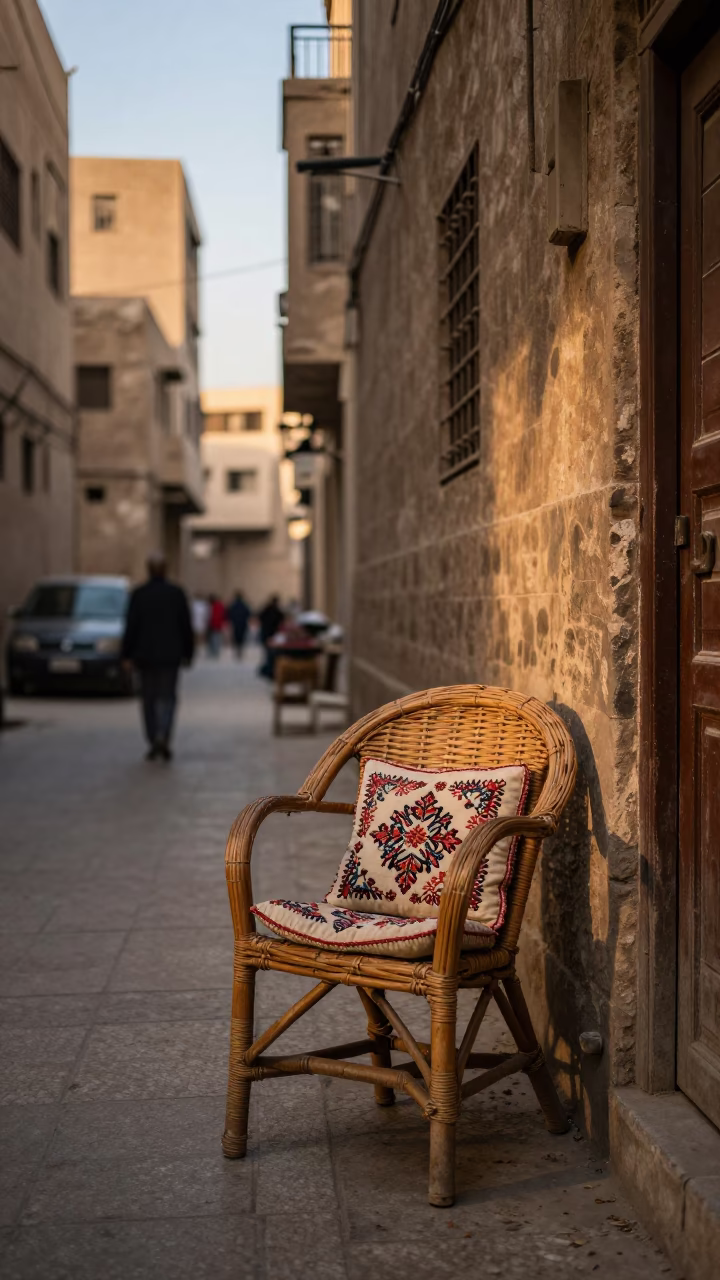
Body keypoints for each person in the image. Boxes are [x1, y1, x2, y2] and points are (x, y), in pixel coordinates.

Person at [121, 553, 194, 761]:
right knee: (168, 698)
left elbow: (131, 627)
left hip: (145, 657)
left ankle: (154, 738)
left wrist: (126, 655)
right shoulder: (176, 593)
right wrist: (188, 653)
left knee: (148, 700)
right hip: (170, 657)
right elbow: (185, 627)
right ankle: (164, 734)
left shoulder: (139, 594)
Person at [258, 594, 284, 678]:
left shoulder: (267, 609)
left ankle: (270, 670)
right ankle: (270, 670)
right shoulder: (277, 611)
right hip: (272, 635)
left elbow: (260, 617)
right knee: (271, 654)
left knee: (269, 653)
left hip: (266, 634)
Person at [226, 590, 251, 658]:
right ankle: (240, 651)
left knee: (236, 638)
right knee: (241, 638)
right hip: (242, 624)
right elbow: (249, 613)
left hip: (236, 624)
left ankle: (238, 651)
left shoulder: (233, 605)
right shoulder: (244, 605)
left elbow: (229, 614)